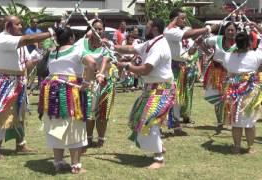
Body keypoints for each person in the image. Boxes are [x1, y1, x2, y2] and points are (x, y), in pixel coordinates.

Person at [0, 15, 53, 159]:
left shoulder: (18, 42)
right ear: (8, 26)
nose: (21, 27)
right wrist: (51, 33)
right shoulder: (3, 39)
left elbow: (27, 64)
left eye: (21, 24)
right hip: (2, 83)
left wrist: (39, 54)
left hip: (18, 82)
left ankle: (21, 144)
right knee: (2, 114)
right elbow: (29, 39)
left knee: (20, 114)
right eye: (18, 24)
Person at [110, 17, 175, 169]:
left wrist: (127, 66)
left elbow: (146, 69)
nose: (144, 29)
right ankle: (158, 145)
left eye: (147, 26)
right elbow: (131, 49)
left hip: (162, 88)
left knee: (149, 119)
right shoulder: (151, 42)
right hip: (151, 87)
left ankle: (159, 159)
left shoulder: (159, 46)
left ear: (154, 29)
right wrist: (113, 46)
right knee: (137, 117)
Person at [38, 27, 96, 174]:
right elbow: (92, 63)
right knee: (75, 126)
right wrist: (87, 82)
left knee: (55, 124)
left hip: (52, 90)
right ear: (71, 39)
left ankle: (58, 162)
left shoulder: (52, 52)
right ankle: (75, 165)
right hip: (71, 91)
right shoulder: (77, 50)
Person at [164, 8, 214, 134]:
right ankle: (164, 123)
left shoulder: (182, 31)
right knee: (171, 97)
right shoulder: (170, 31)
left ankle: (175, 125)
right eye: (182, 18)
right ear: (174, 19)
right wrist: (206, 29)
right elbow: (188, 34)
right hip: (172, 67)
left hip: (183, 68)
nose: (185, 20)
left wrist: (197, 43)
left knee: (179, 98)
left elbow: (190, 52)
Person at [215, 23, 262, 154]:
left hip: (233, 89)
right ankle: (250, 147)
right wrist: (257, 28)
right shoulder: (256, 55)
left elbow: (220, 58)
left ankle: (236, 147)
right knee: (249, 121)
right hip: (250, 90)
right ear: (248, 43)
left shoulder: (228, 56)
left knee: (235, 120)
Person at [76, 19, 116, 148]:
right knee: (88, 113)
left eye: (100, 29)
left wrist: (101, 72)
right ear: (90, 30)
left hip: (103, 82)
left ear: (103, 31)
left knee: (103, 113)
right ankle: (88, 138)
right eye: (95, 28)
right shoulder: (82, 43)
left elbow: (107, 59)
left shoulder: (107, 45)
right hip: (87, 82)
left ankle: (101, 139)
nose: (98, 31)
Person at [202, 22, 238, 134]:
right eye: (228, 30)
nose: (230, 32)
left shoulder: (238, 43)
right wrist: (208, 53)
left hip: (230, 74)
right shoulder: (217, 39)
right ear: (225, 30)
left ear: (236, 31)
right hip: (215, 73)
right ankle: (219, 122)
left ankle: (230, 121)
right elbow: (202, 42)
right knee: (217, 98)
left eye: (233, 30)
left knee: (229, 99)